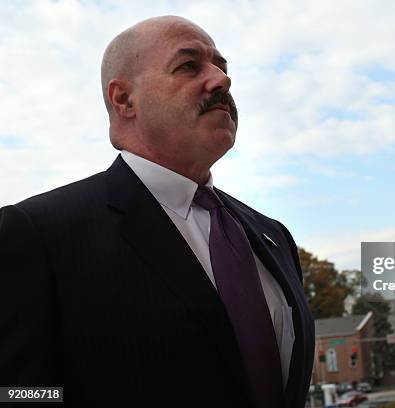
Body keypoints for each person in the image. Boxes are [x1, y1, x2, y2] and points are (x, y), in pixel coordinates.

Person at [0, 16, 314, 408]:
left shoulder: (273, 236)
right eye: (189, 65)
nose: (221, 80)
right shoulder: (36, 235)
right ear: (123, 99)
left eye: (222, 66)